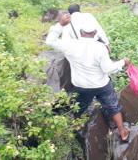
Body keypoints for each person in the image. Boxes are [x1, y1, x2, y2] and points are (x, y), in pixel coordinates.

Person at [46, 13, 131, 142]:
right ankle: (123, 132)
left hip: (82, 86)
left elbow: (50, 41)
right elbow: (108, 69)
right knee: (113, 106)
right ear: (95, 32)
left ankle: (75, 131)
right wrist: (123, 62)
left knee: (79, 108)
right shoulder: (100, 48)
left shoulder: (71, 45)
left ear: (80, 32)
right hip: (102, 85)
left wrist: (60, 25)